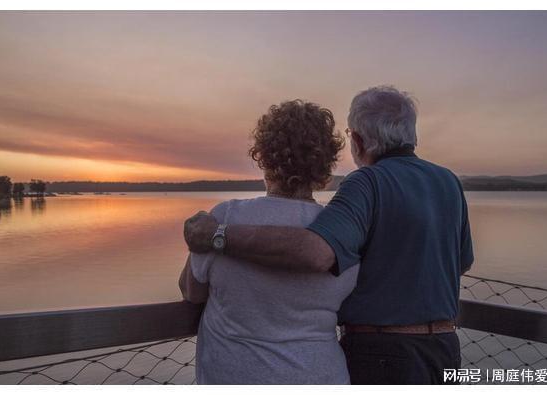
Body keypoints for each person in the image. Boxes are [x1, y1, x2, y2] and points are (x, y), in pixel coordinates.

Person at [184, 86, 475, 385]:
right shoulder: (448, 182)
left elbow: (316, 253)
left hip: (382, 355)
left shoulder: (365, 183)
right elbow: (461, 263)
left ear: (359, 141)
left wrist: (217, 235)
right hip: (443, 348)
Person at [178, 100, 359, 384]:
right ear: (324, 167)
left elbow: (192, 292)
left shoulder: (226, 217)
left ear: (263, 156)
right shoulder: (339, 231)